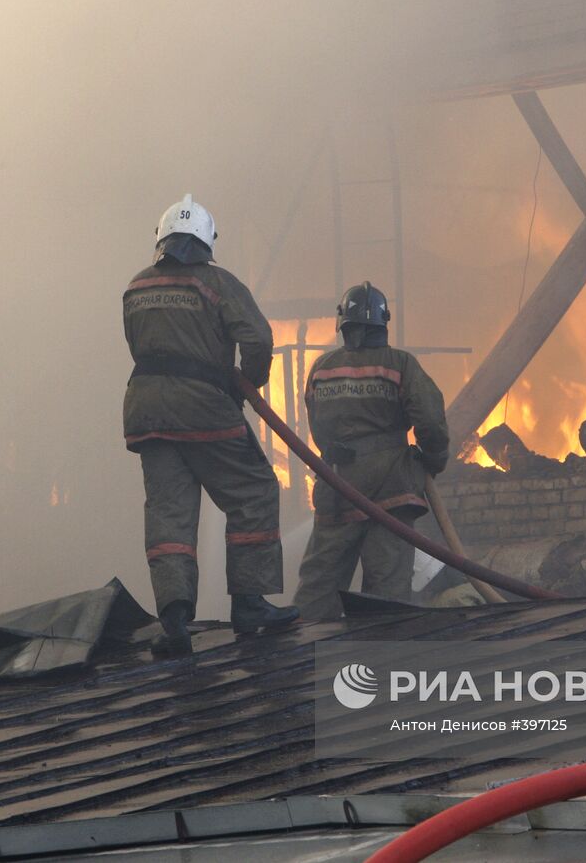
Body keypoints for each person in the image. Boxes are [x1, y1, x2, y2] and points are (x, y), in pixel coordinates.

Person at [123, 194, 298, 656]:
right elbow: (257, 338)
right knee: (254, 490)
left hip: (146, 410)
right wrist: (248, 385)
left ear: (160, 239)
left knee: (170, 513)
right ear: (206, 241)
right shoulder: (218, 283)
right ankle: (250, 603)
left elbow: (139, 343)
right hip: (203, 407)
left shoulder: (137, 285)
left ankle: (176, 617)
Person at [293, 281, 449, 620]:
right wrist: (433, 458)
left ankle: (302, 651)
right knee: (387, 584)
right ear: (383, 323)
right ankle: (380, 658)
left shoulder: (322, 368)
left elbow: (315, 422)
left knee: (320, 583)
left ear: (343, 325)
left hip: (338, 483)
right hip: (391, 484)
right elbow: (430, 420)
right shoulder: (400, 364)